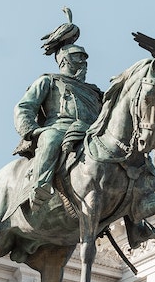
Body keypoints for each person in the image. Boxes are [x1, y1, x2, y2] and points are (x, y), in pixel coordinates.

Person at [12, 16, 104, 207]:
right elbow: (24, 107)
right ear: (65, 60)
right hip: (59, 128)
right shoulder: (49, 81)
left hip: (90, 132)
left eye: (85, 58)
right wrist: (33, 130)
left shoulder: (95, 92)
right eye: (79, 57)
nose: (84, 62)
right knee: (51, 138)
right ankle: (40, 186)